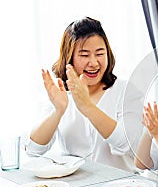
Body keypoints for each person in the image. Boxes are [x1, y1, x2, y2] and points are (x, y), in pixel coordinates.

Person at [26, 17, 143, 172]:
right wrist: (58, 111)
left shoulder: (127, 91)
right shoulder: (60, 94)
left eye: (100, 53)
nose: (94, 63)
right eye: (84, 55)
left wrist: (87, 107)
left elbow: (125, 144)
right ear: (69, 58)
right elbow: (34, 150)